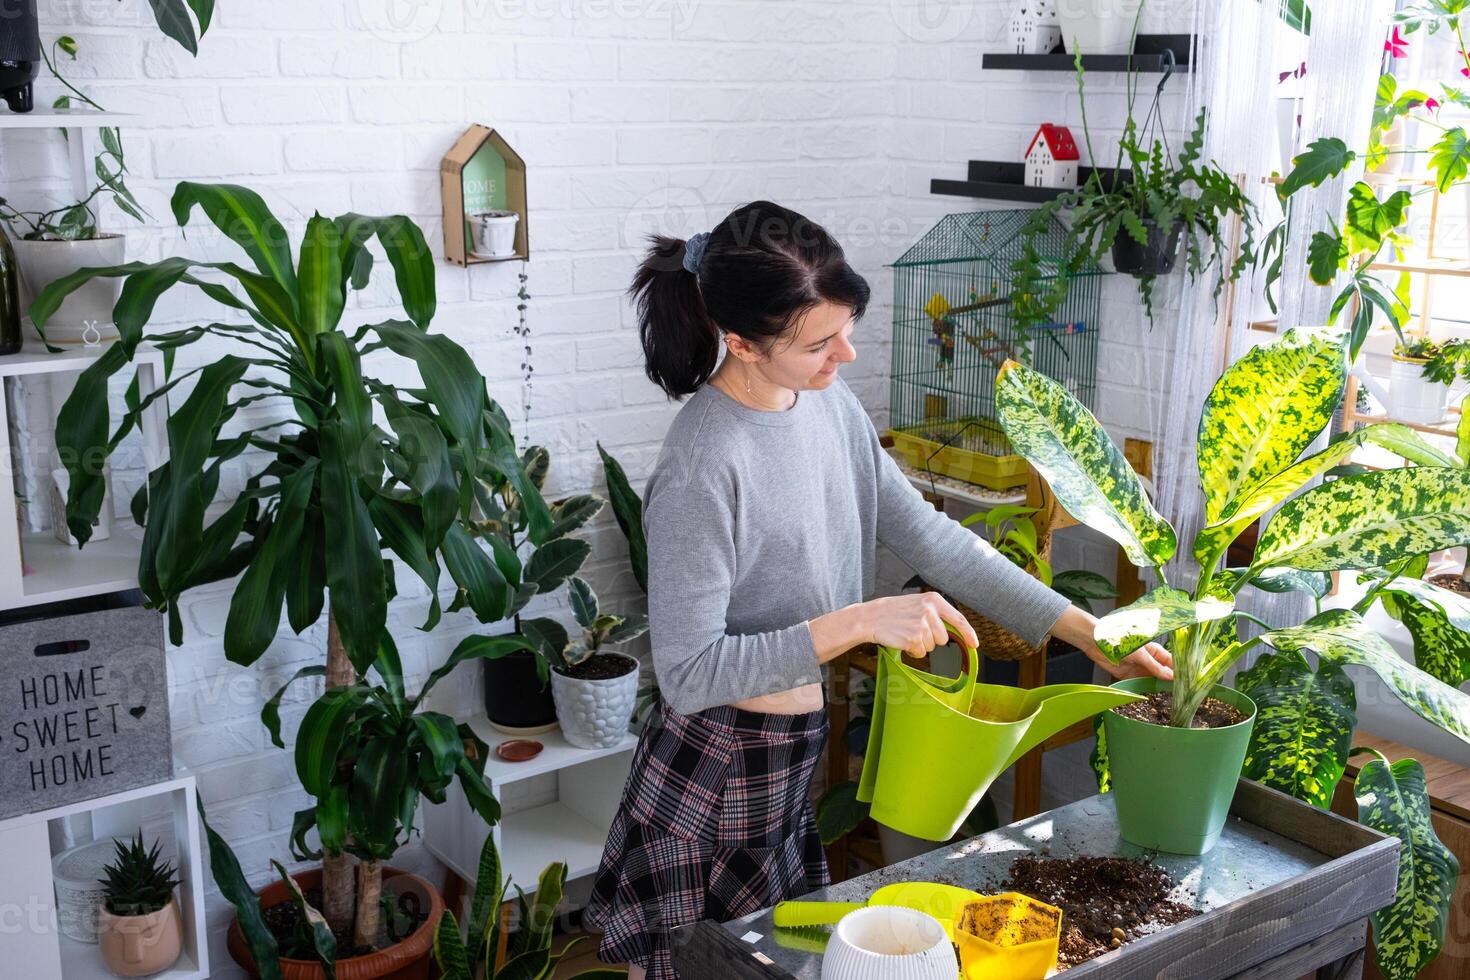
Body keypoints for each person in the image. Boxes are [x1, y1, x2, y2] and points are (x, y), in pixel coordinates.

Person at [584, 201, 1172, 979]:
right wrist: (860, 620)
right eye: (820, 342)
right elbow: (691, 675)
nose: (847, 355)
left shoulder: (829, 410)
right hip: (713, 770)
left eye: (846, 328)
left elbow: (933, 539)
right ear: (741, 343)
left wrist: (1083, 629)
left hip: (786, 763)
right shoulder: (704, 463)